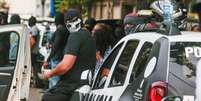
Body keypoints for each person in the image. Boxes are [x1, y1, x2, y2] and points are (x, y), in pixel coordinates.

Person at [42, 8, 96, 101]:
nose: (71, 24)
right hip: (82, 85)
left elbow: (65, 66)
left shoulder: (75, 36)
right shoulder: (88, 35)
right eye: (68, 22)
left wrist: (50, 73)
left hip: (71, 86)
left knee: (47, 97)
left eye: (73, 21)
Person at [43, 12, 70, 88]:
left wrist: (48, 60)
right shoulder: (66, 29)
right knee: (55, 81)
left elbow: (56, 46)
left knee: (54, 82)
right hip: (62, 57)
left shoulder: (60, 29)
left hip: (56, 58)